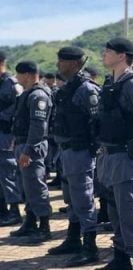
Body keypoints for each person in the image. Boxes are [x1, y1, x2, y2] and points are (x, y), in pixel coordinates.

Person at [95, 37, 133, 270]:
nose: (103, 54)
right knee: (114, 211)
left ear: (122, 56)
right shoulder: (110, 83)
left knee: (131, 213)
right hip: (108, 156)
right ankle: (121, 258)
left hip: (127, 158)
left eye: (108, 51)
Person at [46, 46, 100, 267]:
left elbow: (97, 125)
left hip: (80, 152)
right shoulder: (68, 88)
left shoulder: (87, 89)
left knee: (83, 200)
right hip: (66, 151)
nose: (58, 65)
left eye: (63, 61)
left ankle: (90, 246)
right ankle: (73, 238)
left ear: (75, 64)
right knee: (72, 200)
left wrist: (91, 151)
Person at [11, 61, 53, 243]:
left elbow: (38, 127)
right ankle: (30, 221)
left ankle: (44, 226)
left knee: (36, 185)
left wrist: (28, 150)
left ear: (27, 75)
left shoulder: (38, 96)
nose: (17, 78)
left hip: (32, 147)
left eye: (19, 74)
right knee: (26, 186)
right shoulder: (28, 94)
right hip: (23, 144)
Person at [0, 51, 23, 227]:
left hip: (7, 137)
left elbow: (19, 113)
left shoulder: (12, 84)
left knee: (8, 174)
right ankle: (3, 211)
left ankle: (14, 211)